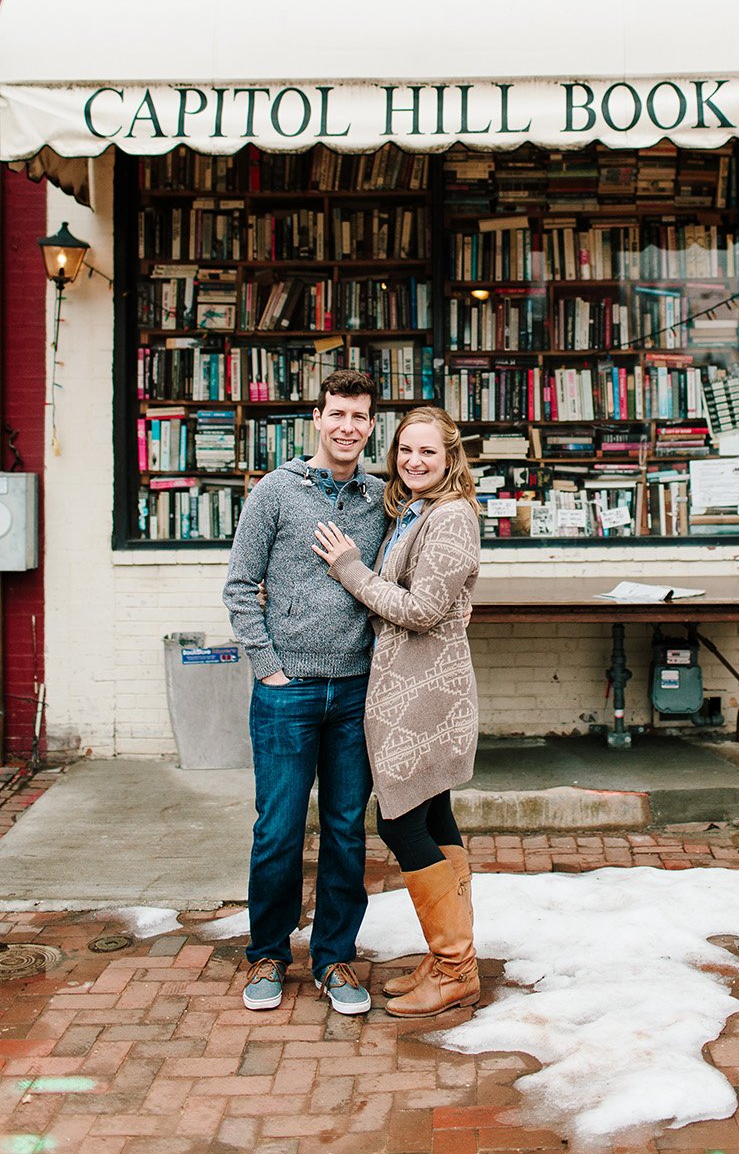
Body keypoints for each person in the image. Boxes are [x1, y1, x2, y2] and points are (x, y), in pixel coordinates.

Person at [222, 368, 388, 1016]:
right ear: (316, 420)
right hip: (287, 691)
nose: (347, 427)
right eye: (337, 414)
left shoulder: (381, 499)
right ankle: (267, 953)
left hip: (354, 691)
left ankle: (334, 958)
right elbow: (240, 585)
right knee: (279, 830)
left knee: (347, 830)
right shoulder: (276, 492)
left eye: (359, 417)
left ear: (371, 427)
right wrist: (268, 666)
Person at [312, 405, 483, 1019]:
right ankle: (448, 962)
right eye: (405, 449)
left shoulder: (453, 517)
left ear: (450, 457)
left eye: (427, 452)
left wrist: (349, 568)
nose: (413, 460)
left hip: (426, 697)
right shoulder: (419, 509)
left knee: (401, 822)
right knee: (432, 818)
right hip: (410, 693)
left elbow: (421, 610)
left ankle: (456, 966)